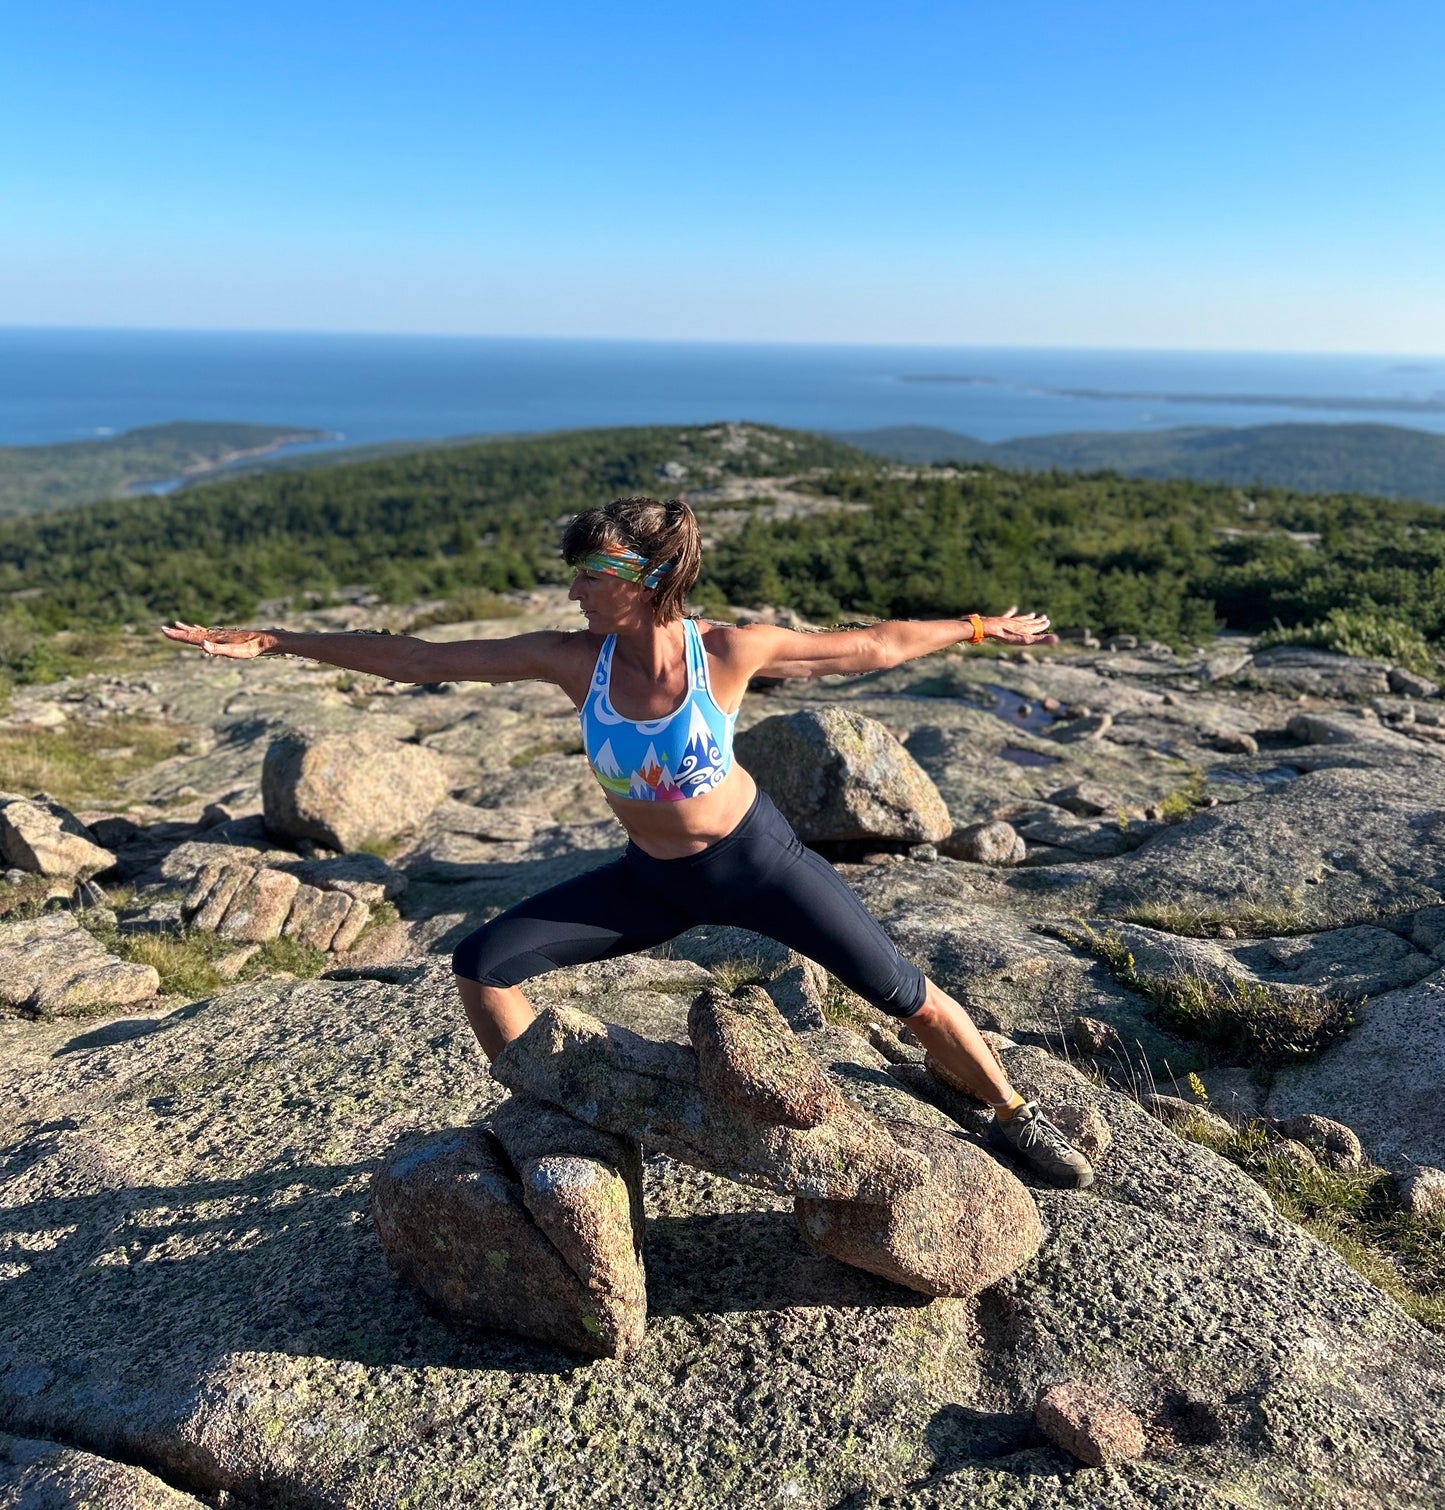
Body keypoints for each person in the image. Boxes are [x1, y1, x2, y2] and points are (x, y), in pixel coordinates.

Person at [164, 495, 1092, 1187]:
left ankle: (1012, 1109)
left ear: (648, 577)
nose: (573, 591)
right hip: (651, 881)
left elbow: (873, 646)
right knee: (483, 964)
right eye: (574, 574)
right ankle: (551, 1104)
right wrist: (275, 640)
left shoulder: (725, 650)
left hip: (757, 865)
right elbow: (416, 660)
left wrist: (976, 627)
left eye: (592, 575)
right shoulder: (573, 660)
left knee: (907, 998)